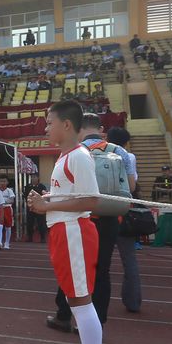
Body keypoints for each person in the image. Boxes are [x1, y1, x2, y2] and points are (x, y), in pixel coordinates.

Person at [27, 101, 108, 344]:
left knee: (80, 300)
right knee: (75, 299)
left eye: (49, 123)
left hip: (74, 230)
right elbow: (72, 195)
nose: (46, 128)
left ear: (67, 125)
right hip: (64, 230)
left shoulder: (79, 156)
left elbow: (90, 201)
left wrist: (45, 205)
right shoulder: (65, 157)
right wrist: (47, 200)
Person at [46, 113, 129, 332]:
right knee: (101, 271)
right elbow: (130, 184)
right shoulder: (118, 151)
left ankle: (64, 315)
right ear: (100, 129)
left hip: (77, 220)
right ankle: (97, 320)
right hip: (108, 218)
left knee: (72, 270)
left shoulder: (72, 152)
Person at [106, 126, 141, 312]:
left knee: (100, 260)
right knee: (129, 259)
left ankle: (96, 301)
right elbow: (132, 185)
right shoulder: (129, 156)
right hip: (124, 210)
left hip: (103, 210)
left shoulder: (98, 152)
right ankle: (133, 301)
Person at [0, 176, 16, 250]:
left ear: (7, 182)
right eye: (1, 181)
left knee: (8, 226)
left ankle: (7, 243)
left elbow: (12, 200)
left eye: (4, 181)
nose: (2, 183)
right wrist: (4, 200)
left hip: (7, 209)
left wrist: (2, 201)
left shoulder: (9, 190)